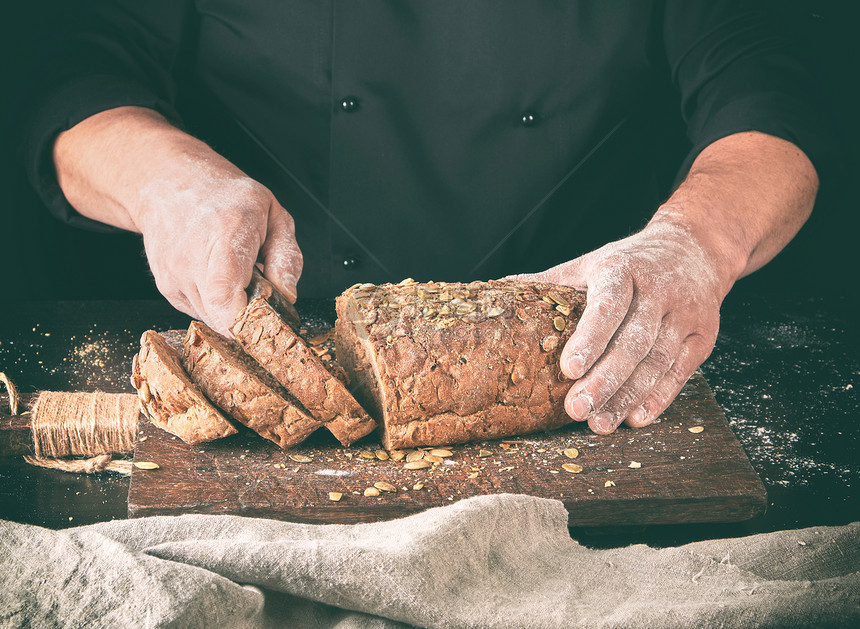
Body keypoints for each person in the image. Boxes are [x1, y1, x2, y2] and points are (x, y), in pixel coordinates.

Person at [15, 1, 832, 435]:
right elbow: (72, 71)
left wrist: (694, 242)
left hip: (592, 371)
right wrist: (169, 184)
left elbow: (773, 95)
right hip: (295, 306)